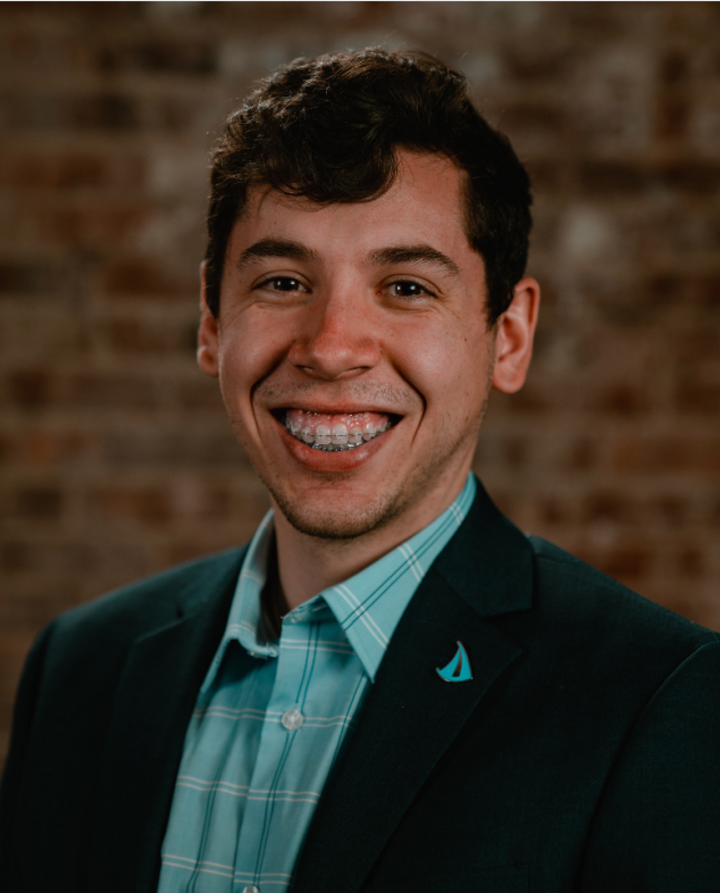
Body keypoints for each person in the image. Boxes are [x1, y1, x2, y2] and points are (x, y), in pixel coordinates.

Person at [1, 48, 719, 893]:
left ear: (509, 337)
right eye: (281, 279)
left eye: (407, 287)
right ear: (210, 321)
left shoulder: (656, 702)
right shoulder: (81, 668)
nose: (331, 347)